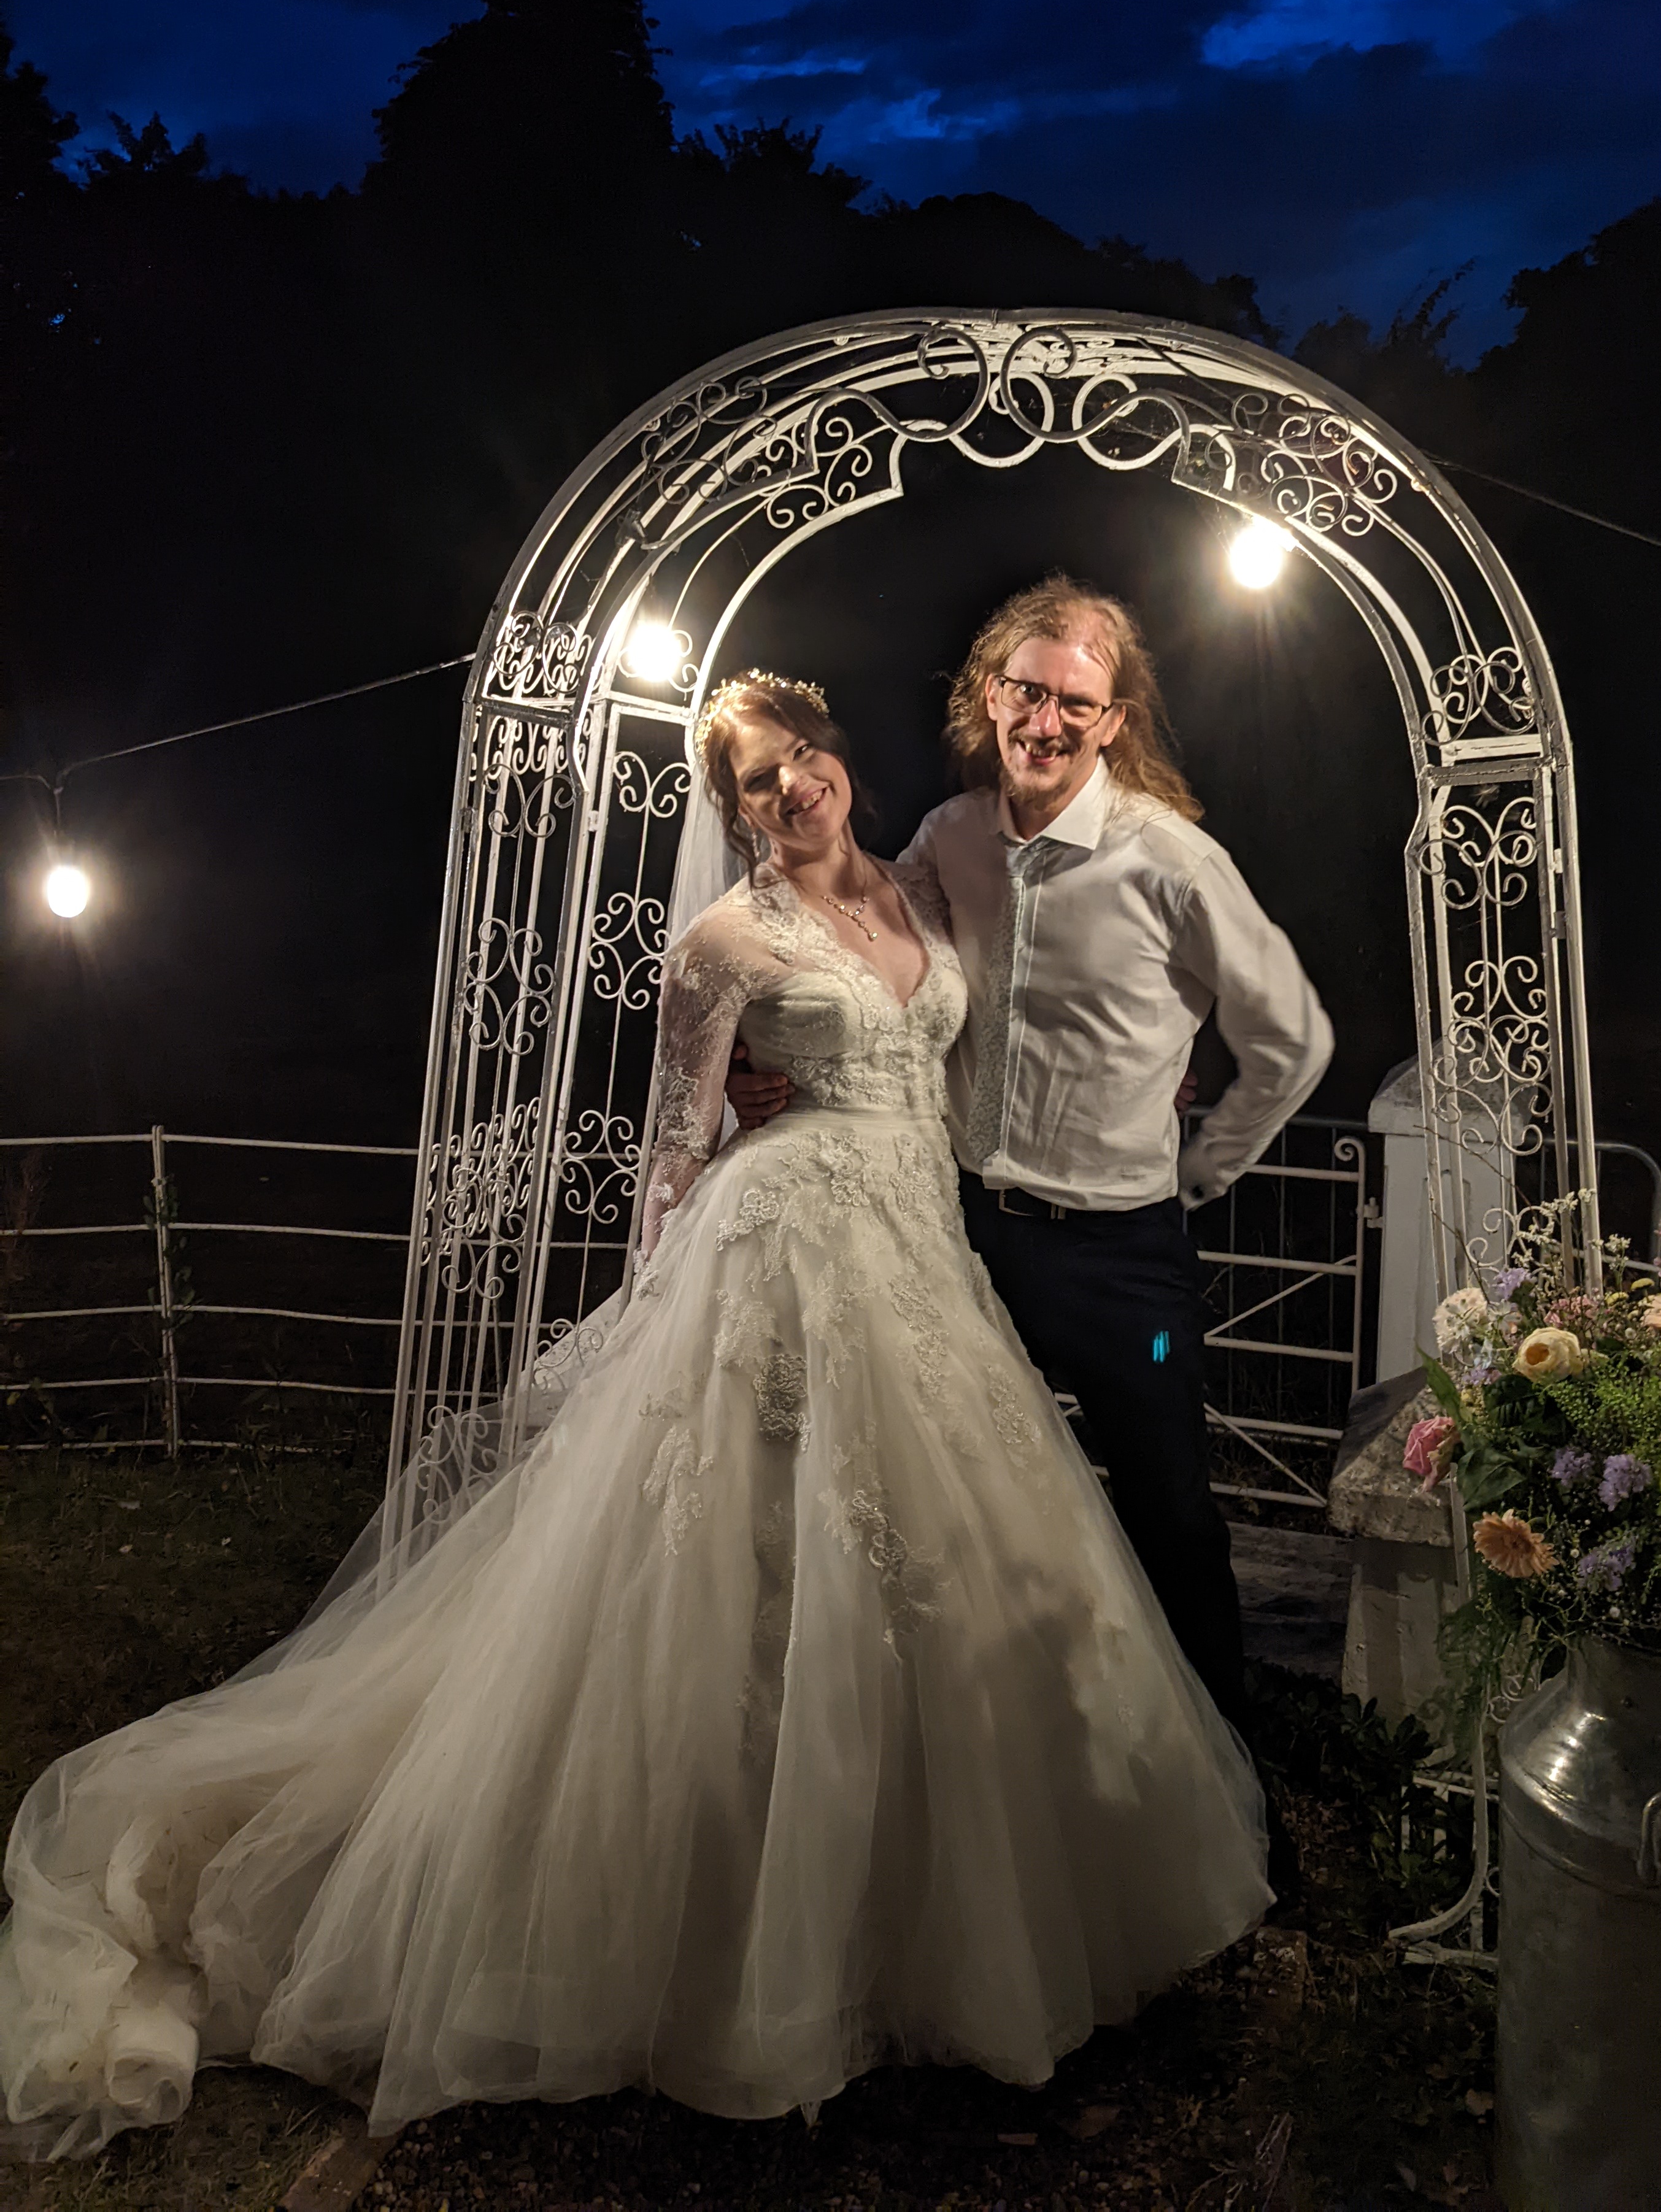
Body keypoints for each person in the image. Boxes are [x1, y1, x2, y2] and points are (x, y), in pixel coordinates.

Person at [0, 668, 1271, 2165]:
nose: (792, 787)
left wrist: (1149, 1064)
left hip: (927, 1252)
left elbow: (1004, 1021)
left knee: (962, 1566)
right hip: (787, 1252)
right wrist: (650, 1315)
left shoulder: (924, 892)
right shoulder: (722, 942)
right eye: (756, 779)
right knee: (762, 1577)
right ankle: (741, 1936)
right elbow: (674, 1147)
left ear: (838, 758)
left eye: (803, 757)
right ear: (730, 808)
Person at [728, 580, 1333, 1747]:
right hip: (963, 1234)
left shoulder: (1173, 862)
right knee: (955, 1498)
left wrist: (1199, 1166)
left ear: (1113, 721)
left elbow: (1293, 1039)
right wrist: (759, 1056)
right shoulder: (950, 837)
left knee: (1169, 1514)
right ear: (990, 697)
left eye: (1075, 702)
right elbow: (860, 950)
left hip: (1125, 1267)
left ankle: (1220, 1773)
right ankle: (1000, 1749)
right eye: (1026, 691)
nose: (1046, 722)